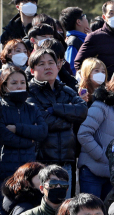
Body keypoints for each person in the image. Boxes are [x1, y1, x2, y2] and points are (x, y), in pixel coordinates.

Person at [27, 48, 88, 198]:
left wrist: (55, 108)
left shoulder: (66, 90)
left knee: (64, 210)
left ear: (57, 66)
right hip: (41, 162)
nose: (47, 67)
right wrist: (69, 120)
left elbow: (82, 111)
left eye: (50, 63)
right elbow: (43, 121)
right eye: (41, 64)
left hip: (66, 161)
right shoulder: (29, 91)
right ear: (32, 69)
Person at [77, 69, 114, 199]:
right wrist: (103, 156)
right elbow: (84, 134)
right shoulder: (101, 105)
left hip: (113, 175)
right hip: (92, 172)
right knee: (90, 213)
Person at [0, 66, 47, 182]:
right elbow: (4, 136)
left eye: (22, 82)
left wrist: (17, 128)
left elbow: (42, 131)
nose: (19, 86)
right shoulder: (1, 108)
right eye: (14, 83)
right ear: (5, 86)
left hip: (29, 168)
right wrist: (30, 140)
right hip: (5, 169)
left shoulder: (32, 108)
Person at [74, 1, 114, 78]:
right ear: (104, 17)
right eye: (111, 13)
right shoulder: (95, 37)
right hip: (104, 85)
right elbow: (79, 63)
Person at [59, 7, 89, 76]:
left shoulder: (84, 38)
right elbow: (71, 68)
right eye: (84, 16)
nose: (86, 19)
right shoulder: (73, 41)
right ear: (78, 21)